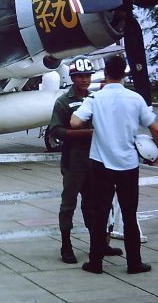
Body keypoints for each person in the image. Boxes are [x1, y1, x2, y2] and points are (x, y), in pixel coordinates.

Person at [70, 54, 158, 275]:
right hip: (128, 165)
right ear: (124, 74)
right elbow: (155, 129)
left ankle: (95, 262)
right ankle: (134, 263)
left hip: (100, 164)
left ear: (105, 74)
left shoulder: (95, 98)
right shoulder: (135, 99)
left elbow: (74, 122)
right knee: (130, 214)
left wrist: (95, 123)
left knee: (100, 212)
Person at [49, 56, 122, 264]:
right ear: (72, 77)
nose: (84, 80)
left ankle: (99, 244)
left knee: (95, 204)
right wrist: (86, 133)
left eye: (87, 76)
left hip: (95, 159)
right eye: (80, 76)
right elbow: (55, 131)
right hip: (74, 159)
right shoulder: (63, 101)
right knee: (69, 204)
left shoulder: (95, 98)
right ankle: (66, 246)